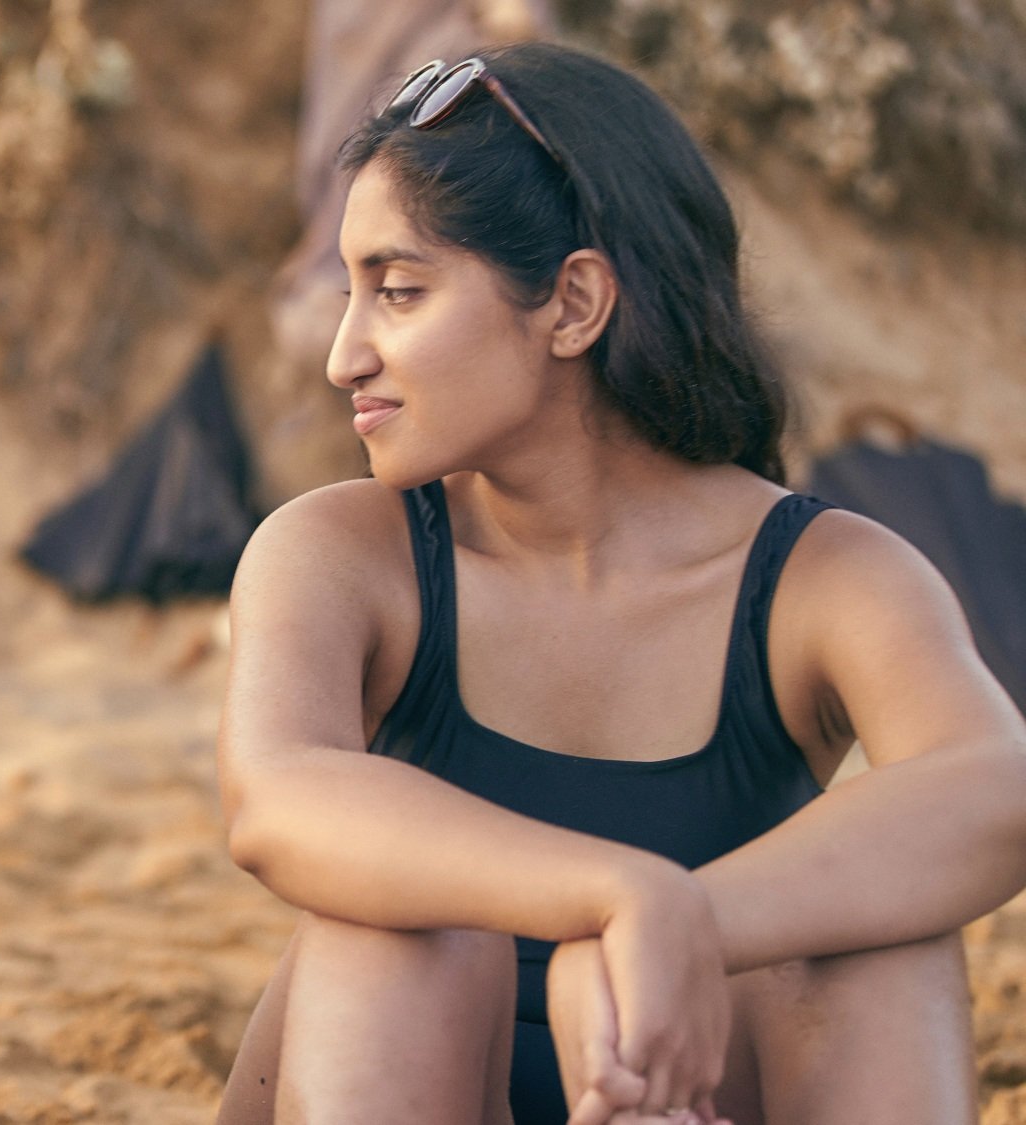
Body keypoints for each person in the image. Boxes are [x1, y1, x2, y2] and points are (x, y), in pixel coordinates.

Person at [215, 42, 1026, 1125]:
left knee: (870, 949)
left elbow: (991, 790)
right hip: (413, 1074)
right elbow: (277, 801)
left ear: (572, 303)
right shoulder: (341, 554)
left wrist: (685, 927)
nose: (343, 356)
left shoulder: (817, 577)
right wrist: (620, 896)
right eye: (352, 294)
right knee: (392, 938)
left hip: (687, 1085)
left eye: (397, 292)